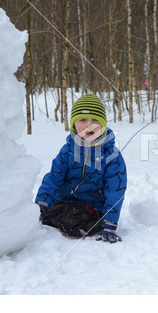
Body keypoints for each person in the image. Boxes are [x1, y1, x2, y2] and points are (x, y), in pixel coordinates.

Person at [35, 94, 127, 243]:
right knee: (45, 217)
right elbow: (53, 178)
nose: (89, 125)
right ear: (73, 124)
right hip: (64, 201)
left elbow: (115, 190)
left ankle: (78, 220)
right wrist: (42, 204)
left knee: (73, 223)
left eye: (95, 120)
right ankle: (56, 215)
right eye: (83, 120)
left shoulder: (111, 156)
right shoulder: (68, 151)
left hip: (92, 206)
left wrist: (109, 223)